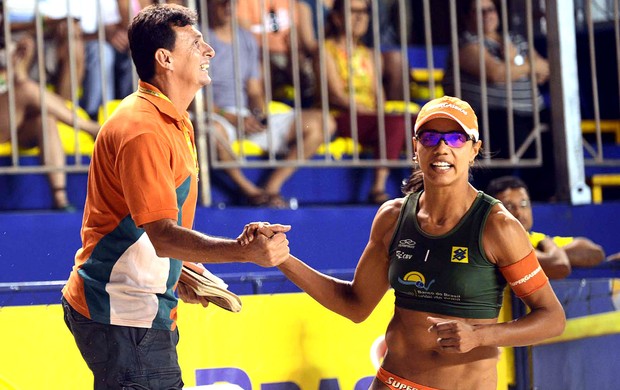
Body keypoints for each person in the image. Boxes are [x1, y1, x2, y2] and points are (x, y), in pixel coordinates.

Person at [243, 96, 566, 389]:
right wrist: (282, 259)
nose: (442, 147)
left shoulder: (497, 226)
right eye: (430, 137)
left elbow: (552, 318)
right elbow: (355, 305)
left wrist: (481, 335)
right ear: (415, 147)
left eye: (455, 138)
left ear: (473, 149)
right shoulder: (393, 216)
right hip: (392, 382)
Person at [60, 4, 291, 388]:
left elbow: (139, 224)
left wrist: (175, 271)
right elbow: (162, 234)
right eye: (196, 43)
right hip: (125, 315)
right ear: (165, 58)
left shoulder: (169, 119)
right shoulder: (144, 128)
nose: (209, 51)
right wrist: (243, 251)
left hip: (134, 310)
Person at [206, 0, 335, 208]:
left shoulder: (245, 38)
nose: (229, 6)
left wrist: (258, 112)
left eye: (233, 3)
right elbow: (195, 99)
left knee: (324, 122)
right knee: (212, 130)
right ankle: (251, 192)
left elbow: (255, 90)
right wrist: (233, 118)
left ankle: (272, 187)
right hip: (217, 115)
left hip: (247, 116)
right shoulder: (198, 38)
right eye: (222, 3)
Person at [443, 0, 553, 200]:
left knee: (557, 127)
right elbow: (495, 73)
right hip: (492, 113)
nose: (487, 15)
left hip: (533, 111)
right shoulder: (466, 43)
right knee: (504, 126)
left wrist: (514, 64)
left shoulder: (516, 40)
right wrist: (524, 64)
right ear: (467, 17)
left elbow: (545, 70)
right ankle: (497, 198)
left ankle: (544, 195)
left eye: (490, 9)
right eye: (479, 11)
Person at [0, 33, 100, 210]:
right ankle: (91, 128)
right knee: (27, 89)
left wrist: (19, 64)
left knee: (45, 120)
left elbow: (20, 84)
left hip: (12, 121)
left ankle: (59, 198)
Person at [323, 0, 408, 204]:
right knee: (395, 123)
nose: (360, 17)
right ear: (336, 18)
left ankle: (424, 185)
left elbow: (379, 95)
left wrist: (377, 111)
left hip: (369, 118)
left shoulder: (369, 53)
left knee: (416, 123)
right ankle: (377, 187)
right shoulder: (325, 50)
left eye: (364, 12)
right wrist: (367, 111)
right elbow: (335, 95)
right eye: (353, 12)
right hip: (342, 116)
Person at [486, 175, 606, 278]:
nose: (519, 213)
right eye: (509, 207)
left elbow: (595, 253)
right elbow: (559, 265)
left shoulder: (537, 241)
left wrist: (546, 248)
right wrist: (549, 249)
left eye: (524, 204)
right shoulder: (489, 245)